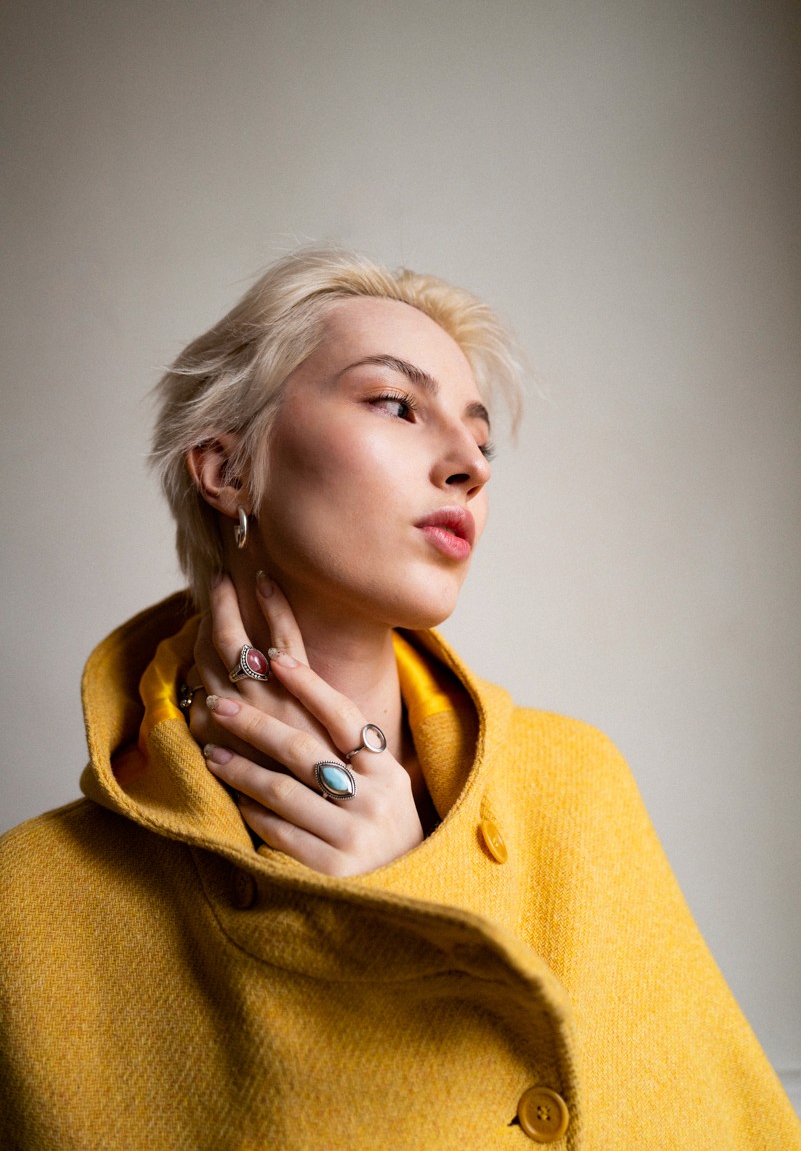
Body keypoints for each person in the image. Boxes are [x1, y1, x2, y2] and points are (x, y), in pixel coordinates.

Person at [0, 248, 798, 1150]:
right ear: (226, 470)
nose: (468, 466)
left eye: (482, 440)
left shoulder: (575, 788)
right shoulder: (29, 905)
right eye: (394, 403)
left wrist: (410, 883)